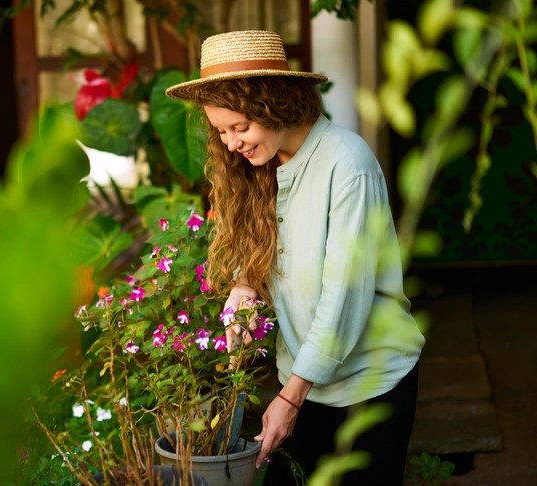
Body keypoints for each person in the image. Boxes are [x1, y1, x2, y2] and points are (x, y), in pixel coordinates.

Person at [166, 30, 425, 485]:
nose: (230, 144)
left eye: (240, 127)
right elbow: (260, 243)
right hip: (304, 380)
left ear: (273, 103)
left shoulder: (347, 163)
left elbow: (344, 297)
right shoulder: (262, 165)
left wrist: (289, 398)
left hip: (370, 382)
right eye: (221, 131)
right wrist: (244, 288)